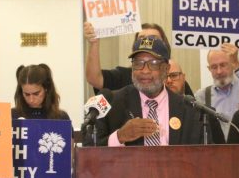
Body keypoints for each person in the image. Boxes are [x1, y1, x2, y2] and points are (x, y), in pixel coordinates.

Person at [91, 35, 222, 146]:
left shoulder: (189, 110)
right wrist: (119, 137)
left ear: (166, 69)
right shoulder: (112, 103)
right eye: (138, 63)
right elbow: (88, 149)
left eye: (153, 63)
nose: (144, 70)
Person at [83, 21, 193, 95]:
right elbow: (94, 78)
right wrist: (94, 43)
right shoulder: (123, 75)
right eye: (141, 39)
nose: (147, 43)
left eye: (153, 39)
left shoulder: (174, 78)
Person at [195, 44, 239, 140]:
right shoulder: (201, 96)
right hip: (216, 152)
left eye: (223, 65)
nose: (219, 71)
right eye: (214, 67)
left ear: (232, 64)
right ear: (209, 69)